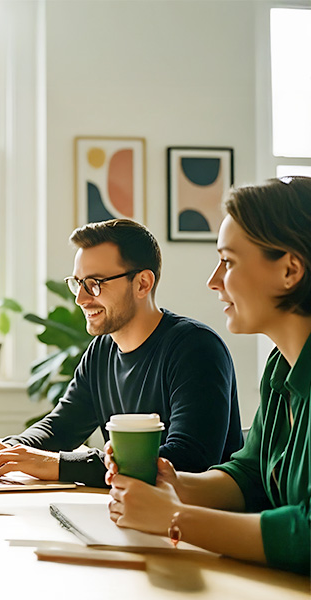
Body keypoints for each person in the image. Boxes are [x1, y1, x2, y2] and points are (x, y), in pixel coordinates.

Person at [105, 177, 310, 575]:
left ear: (290, 270)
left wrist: (174, 518)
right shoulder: (281, 367)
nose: (214, 281)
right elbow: (250, 476)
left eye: (228, 261)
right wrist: (171, 483)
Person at [0, 219, 243, 487]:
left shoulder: (196, 349)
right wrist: (8, 448)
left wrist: (55, 464)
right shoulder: (101, 351)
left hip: (194, 527)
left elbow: (185, 462)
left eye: (94, 284)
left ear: (143, 283)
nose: (81, 299)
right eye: (78, 283)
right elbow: (60, 428)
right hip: (133, 515)